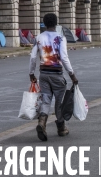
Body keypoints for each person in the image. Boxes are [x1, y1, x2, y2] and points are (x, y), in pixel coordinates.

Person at [29, 13, 79, 141]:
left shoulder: (39, 37)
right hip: (57, 74)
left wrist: (31, 73)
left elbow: (33, 57)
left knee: (46, 99)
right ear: (56, 24)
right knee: (59, 101)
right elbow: (64, 57)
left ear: (44, 24)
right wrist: (72, 75)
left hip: (43, 74)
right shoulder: (61, 38)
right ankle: (61, 128)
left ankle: (42, 122)